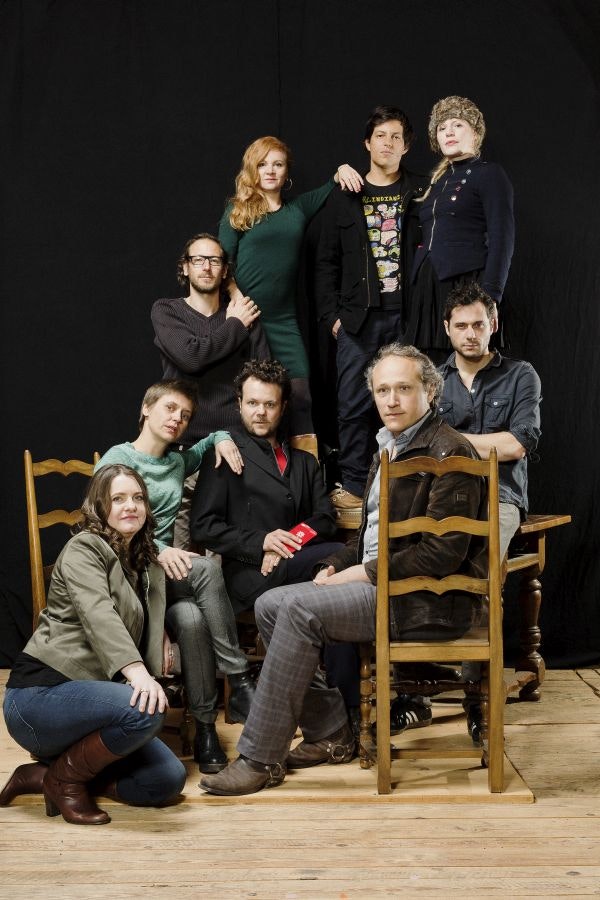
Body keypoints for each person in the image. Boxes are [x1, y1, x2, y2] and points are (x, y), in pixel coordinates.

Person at [199, 344, 486, 796]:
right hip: (390, 588)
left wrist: (364, 573)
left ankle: (259, 758)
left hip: (425, 599)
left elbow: (442, 555)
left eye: (403, 388)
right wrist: (335, 564)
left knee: (297, 610)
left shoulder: (450, 452)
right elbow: (368, 537)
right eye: (382, 390)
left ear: (430, 391)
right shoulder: (389, 449)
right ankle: (331, 732)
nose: (391, 400)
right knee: (271, 603)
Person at [0, 465, 186, 824]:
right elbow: (98, 613)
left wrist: (162, 638)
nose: (130, 505)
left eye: (138, 498)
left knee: (165, 780)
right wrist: (138, 675)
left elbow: (144, 620)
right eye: (118, 499)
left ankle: (43, 776)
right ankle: (64, 781)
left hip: (91, 703)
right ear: (99, 508)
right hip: (39, 696)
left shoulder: (145, 564)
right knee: (145, 710)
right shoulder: (84, 548)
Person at [95, 380, 256, 775]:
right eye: (170, 408)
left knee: (192, 618)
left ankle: (205, 730)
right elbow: (100, 524)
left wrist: (221, 437)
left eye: (185, 416)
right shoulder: (118, 458)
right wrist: (158, 549)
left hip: (163, 577)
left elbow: (210, 440)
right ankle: (238, 678)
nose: (177, 419)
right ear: (146, 409)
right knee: (206, 568)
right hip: (128, 571)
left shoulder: (177, 461)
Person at [190, 359, 359, 724]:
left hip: (296, 567)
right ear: (239, 403)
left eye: (269, 404)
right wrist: (261, 542)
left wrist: (286, 544)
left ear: (282, 407)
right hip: (250, 575)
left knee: (337, 597)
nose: (260, 412)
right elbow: (203, 527)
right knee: (340, 558)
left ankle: (344, 711)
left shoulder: (304, 463)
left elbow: (325, 518)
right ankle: (346, 712)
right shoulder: (226, 454)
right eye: (252, 403)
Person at [438, 282, 542, 742]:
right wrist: (483, 445)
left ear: (493, 324)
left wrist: (449, 441)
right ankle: (411, 693)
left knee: (480, 570)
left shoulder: (521, 376)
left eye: (478, 324)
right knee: (407, 561)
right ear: (447, 328)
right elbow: (415, 442)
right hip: (442, 499)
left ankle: (476, 699)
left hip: (501, 499)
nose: (470, 333)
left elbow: (517, 444)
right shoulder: (431, 379)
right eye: (461, 325)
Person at [315, 106, 428, 515]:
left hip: (409, 316)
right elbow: (325, 261)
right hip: (358, 318)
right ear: (367, 143)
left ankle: (407, 486)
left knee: (410, 401)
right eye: (381, 136)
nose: (388, 144)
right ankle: (354, 487)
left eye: (396, 137)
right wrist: (332, 319)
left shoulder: (422, 191)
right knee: (353, 403)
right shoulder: (345, 194)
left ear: (406, 145)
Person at [218, 136, 363, 454]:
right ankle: (257, 472)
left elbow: (331, 185)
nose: (270, 170)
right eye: (263, 164)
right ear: (252, 169)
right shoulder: (237, 210)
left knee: (300, 396)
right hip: (247, 318)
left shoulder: (297, 209)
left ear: (287, 172)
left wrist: (341, 169)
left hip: (283, 321)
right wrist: (236, 296)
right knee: (252, 401)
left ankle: (306, 474)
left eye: (278, 164)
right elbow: (221, 262)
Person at [151, 232, 270, 549]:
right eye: (198, 260)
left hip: (233, 452)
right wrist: (234, 325)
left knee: (227, 559)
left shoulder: (246, 316)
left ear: (225, 270)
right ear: (185, 267)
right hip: (182, 453)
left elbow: (263, 377)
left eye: (214, 260)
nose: (206, 267)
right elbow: (191, 358)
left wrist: (237, 317)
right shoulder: (167, 311)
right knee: (179, 561)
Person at [410, 96, 515, 362]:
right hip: (428, 290)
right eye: (442, 127)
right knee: (429, 371)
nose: (448, 132)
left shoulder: (489, 173)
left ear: (475, 132)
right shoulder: (436, 182)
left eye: (457, 125)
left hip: (466, 284)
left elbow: (502, 239)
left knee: (469, 367)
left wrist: (490, 297)